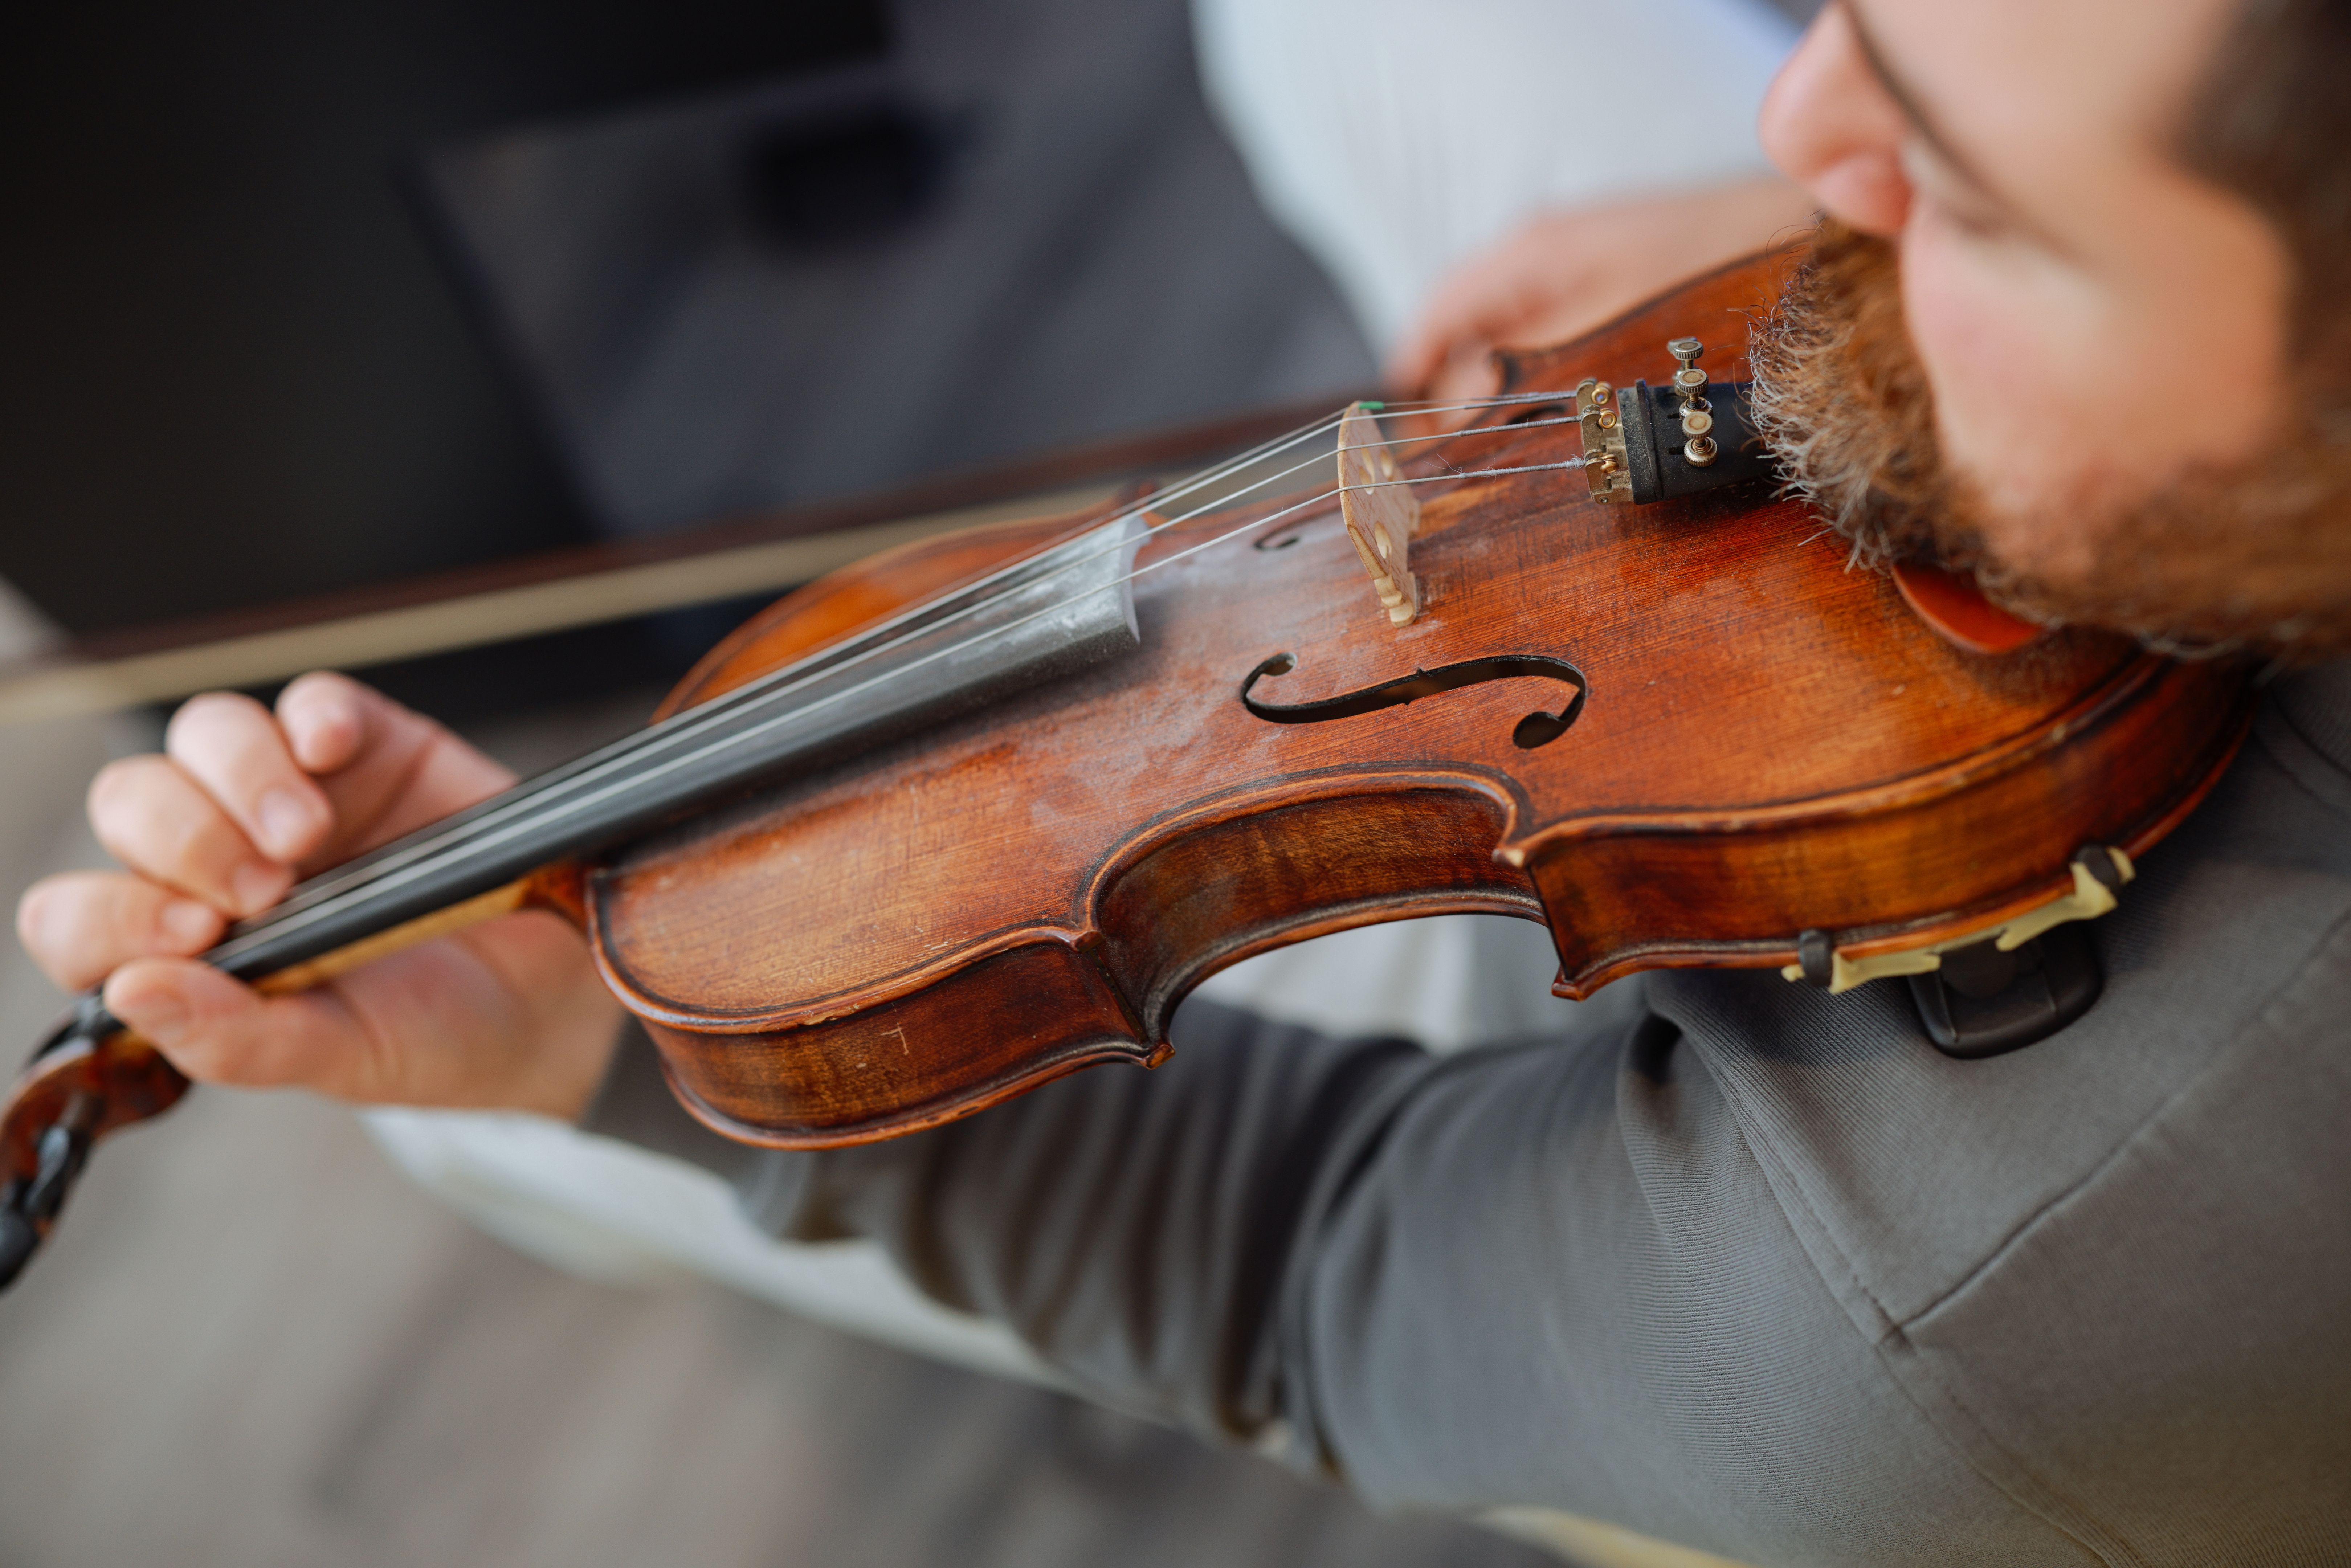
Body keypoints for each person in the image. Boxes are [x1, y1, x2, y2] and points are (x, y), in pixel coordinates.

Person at [16, 0, 2351, 1561]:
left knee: (470, 1121)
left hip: (1754, 1068)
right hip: (1744, 489)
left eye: (1976, 210)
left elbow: (1311, 1261)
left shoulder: (1989, 1303)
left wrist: (582, 1054)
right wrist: (1821, 273)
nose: (1796, 130)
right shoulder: (1969, 224)